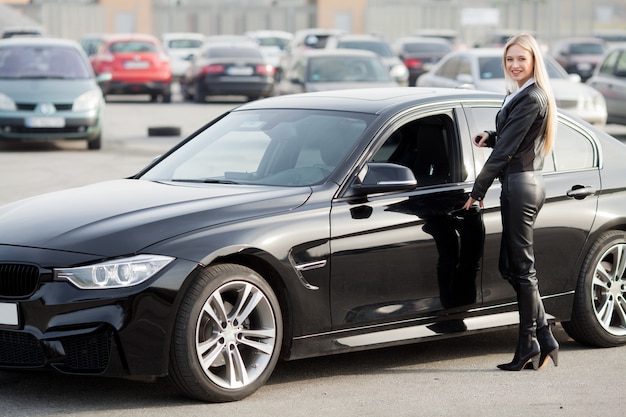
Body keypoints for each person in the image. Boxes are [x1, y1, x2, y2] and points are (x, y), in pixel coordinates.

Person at [462, 33, 559, 371]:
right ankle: (543, 338)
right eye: (510, 60)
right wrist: (491, 136)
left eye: (521, 59)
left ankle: (529, 344)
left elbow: (508, 152)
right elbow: (511, 139)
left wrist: (477, 191)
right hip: (517, 185)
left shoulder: (533, 96)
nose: (515, 65)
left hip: (521, 186)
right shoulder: (518, 94)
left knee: (523, 269)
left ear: (533, 61)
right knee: (511, 267)